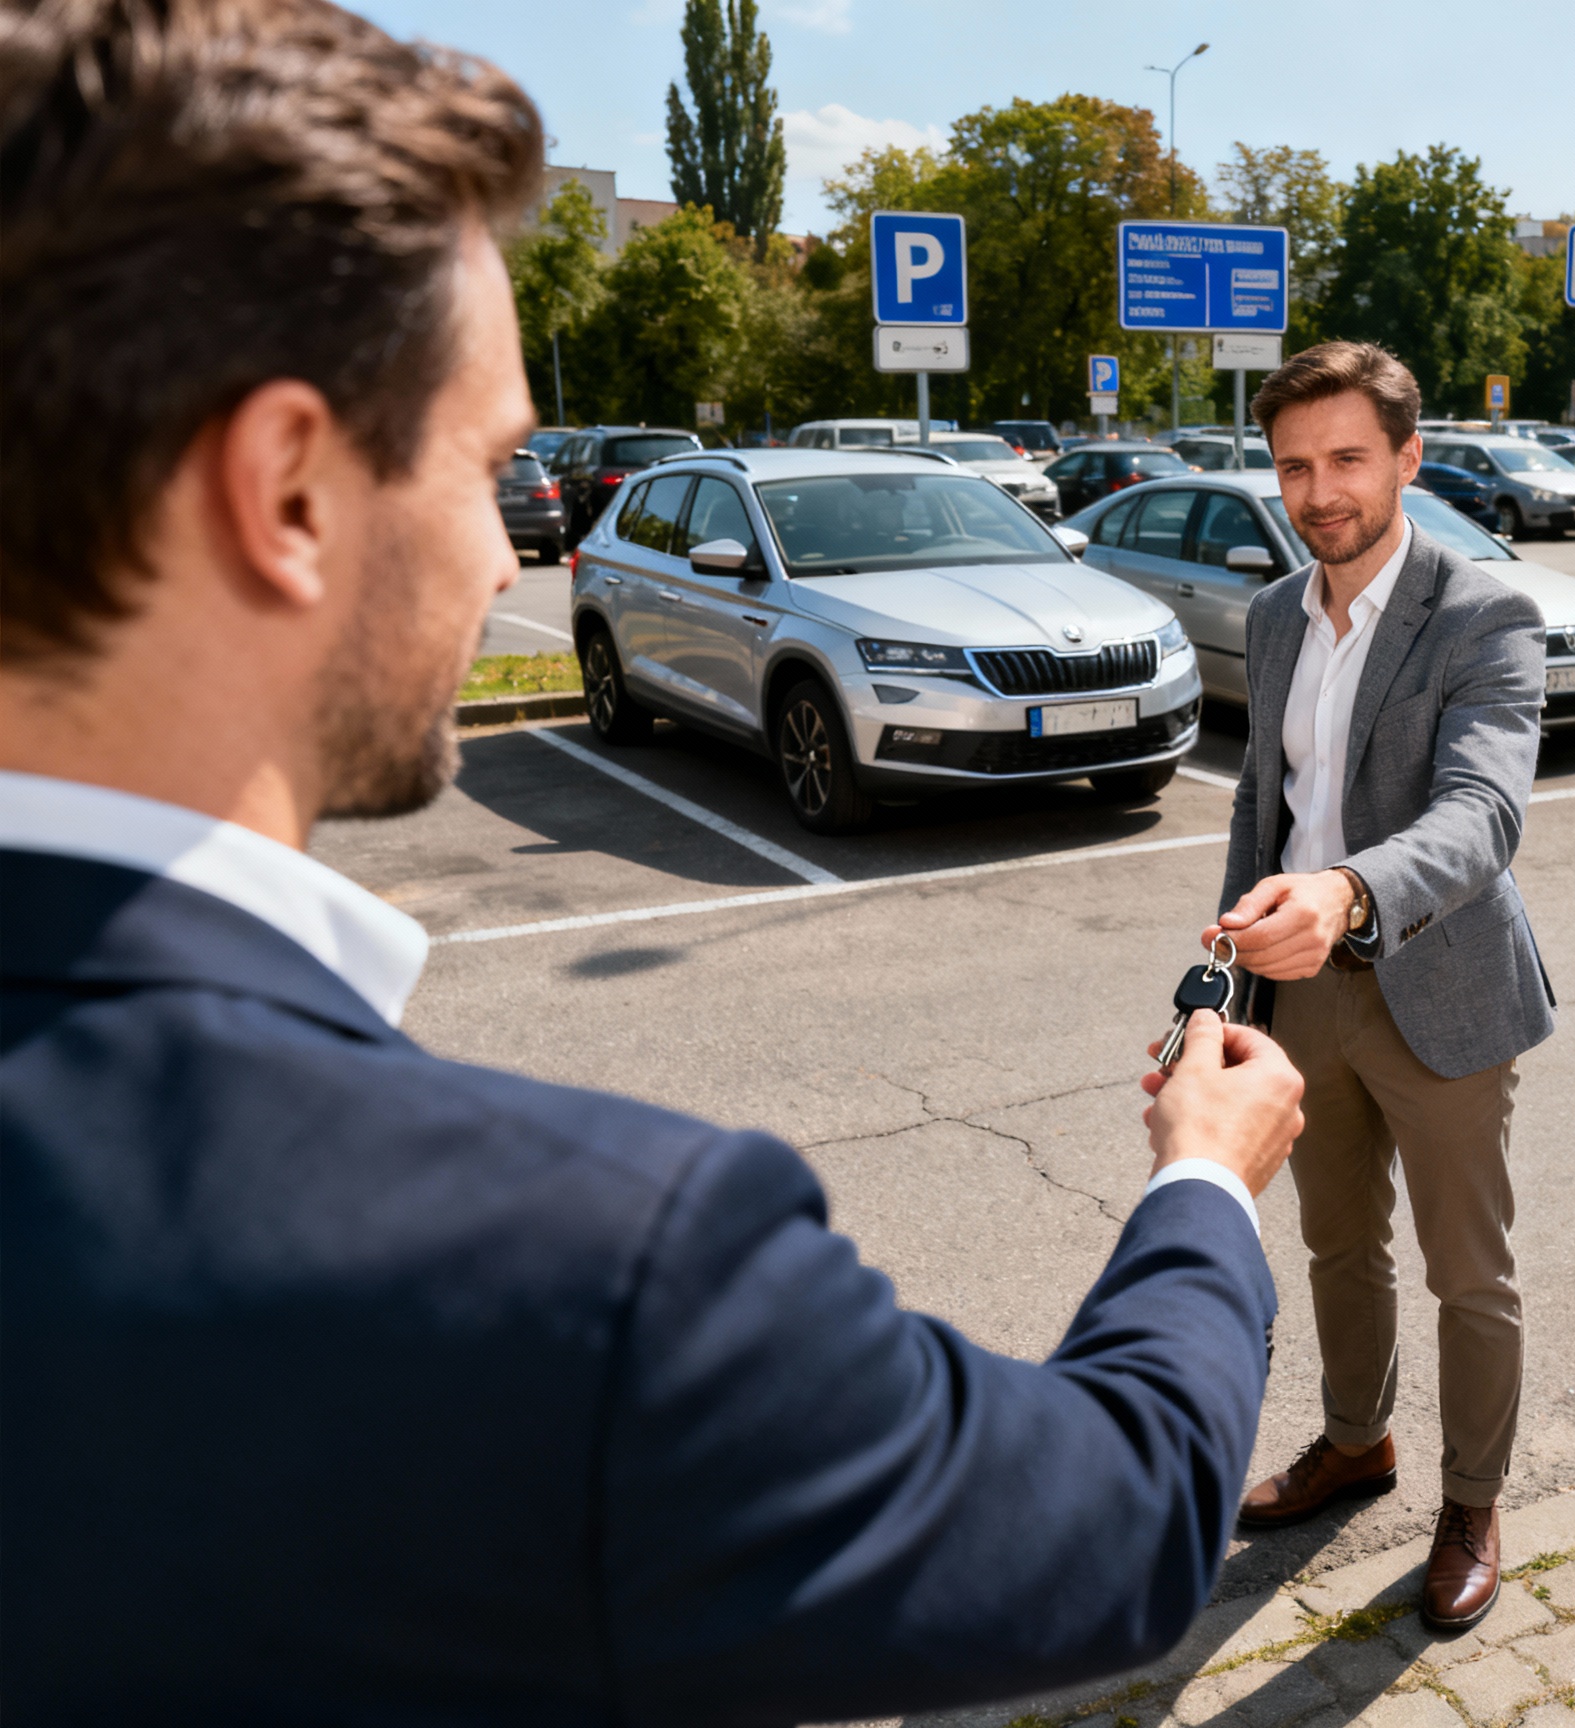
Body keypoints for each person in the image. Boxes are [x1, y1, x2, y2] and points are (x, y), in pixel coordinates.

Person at [0, 1, 1304, 1718]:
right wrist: (1205, 1176)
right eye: (484, 468)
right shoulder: (577, 1268)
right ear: (288, 491)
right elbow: (1112, 1523)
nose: (508, 555)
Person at [1205, 341, 1553, 1631]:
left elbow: (1482, 817)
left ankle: (1472, 1500)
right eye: (1295, 465)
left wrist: (1349, 893)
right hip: (1302, 993)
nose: (1319, 490)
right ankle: (1357, 1441)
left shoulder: (1481, 612)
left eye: (1347, 458)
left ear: (1409, 457)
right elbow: (1264, 810)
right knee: (1335, 1241)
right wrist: (1220, 979)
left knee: (1471, 1269)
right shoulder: (1276, 612)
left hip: (1440, 979)